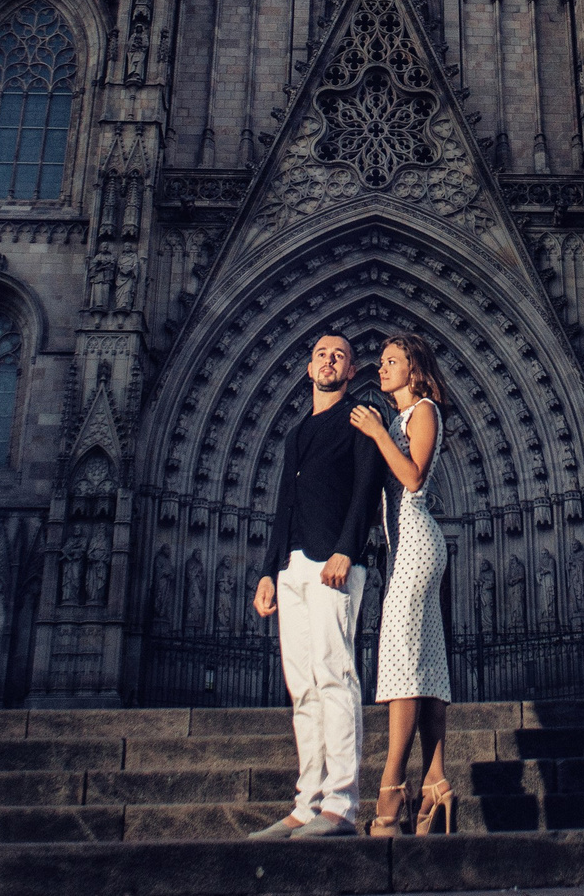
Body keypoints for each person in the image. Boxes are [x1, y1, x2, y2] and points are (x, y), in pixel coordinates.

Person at [248, 332, 383, 840]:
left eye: (339, 356)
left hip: (334, 563)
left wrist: (348, 549)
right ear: (309, 368)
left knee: (335, 677)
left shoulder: (358, 419)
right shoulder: (296, 433)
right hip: (293, 568)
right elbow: (283, 505)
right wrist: (268, 569)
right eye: (322, 355)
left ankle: (342, 805)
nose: (329, 361)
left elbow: (368, 489)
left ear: (351, 372)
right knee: (302, 687)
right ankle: (306, 804)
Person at [349, 333, 455, 836]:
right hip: (406, 545)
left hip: (417, 543)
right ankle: (435, 782)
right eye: (382, 360)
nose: (381, 366)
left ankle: (391, 786)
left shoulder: (424, 411)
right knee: (428, 667)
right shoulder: (397, 419)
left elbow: (413, 479)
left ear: (414, 369)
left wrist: (377, 432)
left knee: (399, 665)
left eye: (391, 361)